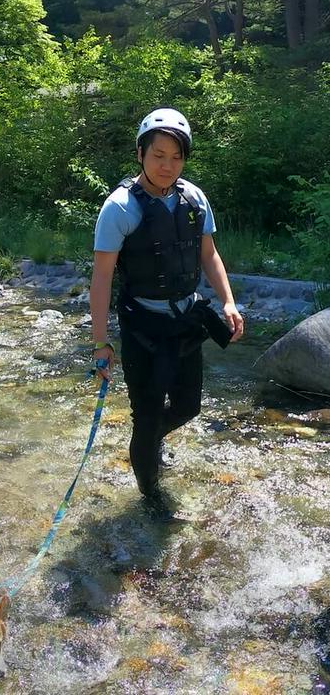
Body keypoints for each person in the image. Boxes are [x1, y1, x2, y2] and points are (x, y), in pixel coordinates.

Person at [89, 107, 244, 517]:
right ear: (141, 153)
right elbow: (102, 279)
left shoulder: (194, 199)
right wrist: (100, 342)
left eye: (176, 157)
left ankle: (152, 440)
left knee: (188, 407)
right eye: (158, 155)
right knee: (147, 415)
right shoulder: (120, 208)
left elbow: (209, 255)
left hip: (186, 320)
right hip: (143, 327)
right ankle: (150, 496)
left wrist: (228, 300)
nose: (167, 165)